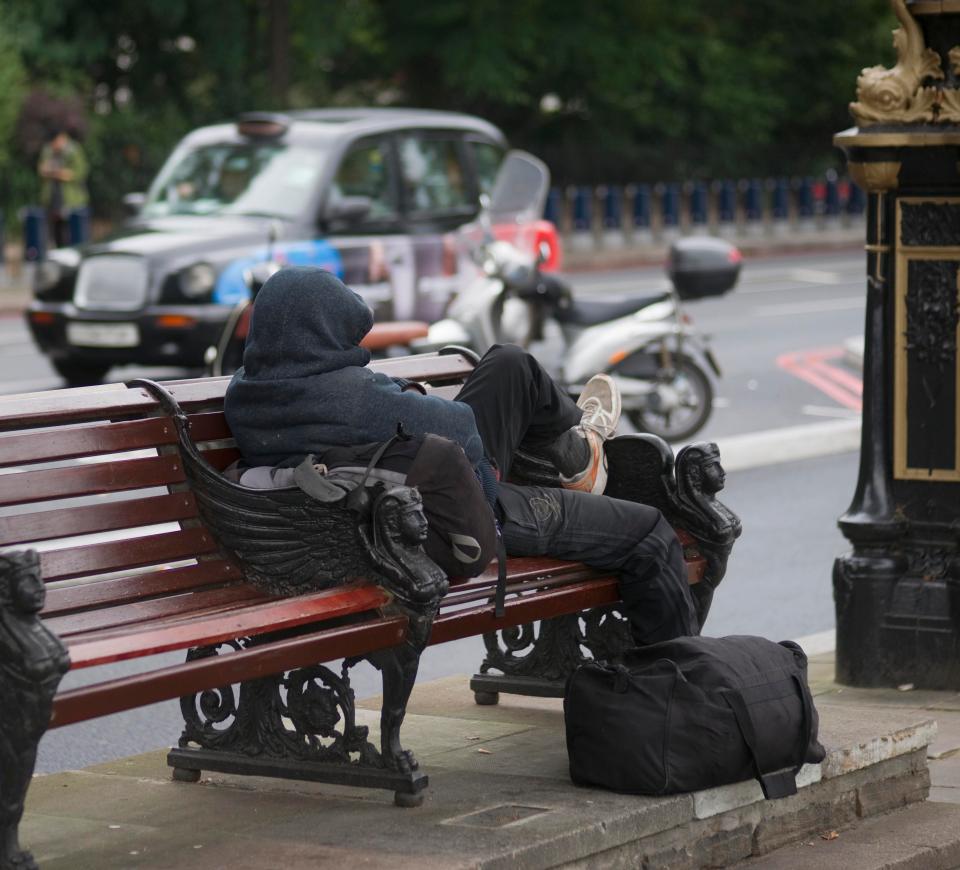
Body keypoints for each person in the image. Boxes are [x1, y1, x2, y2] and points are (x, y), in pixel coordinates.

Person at [224, 267, 699, 644]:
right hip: (451, 515)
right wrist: (407, 399)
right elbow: (461, 431)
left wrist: (401, 402)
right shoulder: (352, 396)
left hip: (374, 503)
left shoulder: (245, 393)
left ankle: (578, 454)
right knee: (650, 532)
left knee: (510, 363)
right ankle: (678, 684)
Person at [37, 128, 89, 248]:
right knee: (56, 232)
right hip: (53, 199)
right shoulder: (48, 151)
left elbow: (80, 173)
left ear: (62, 138)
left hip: (71, 200)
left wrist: (58, 173)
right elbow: (41, 170)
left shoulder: (73, 151)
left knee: (72, 233)